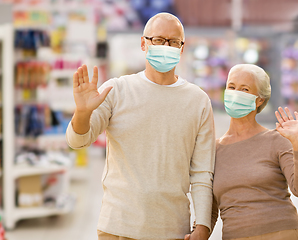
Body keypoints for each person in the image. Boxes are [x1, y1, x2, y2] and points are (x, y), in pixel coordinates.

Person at [66, 13, 215, 240]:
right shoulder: (116, 90)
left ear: (182, 48)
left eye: (174, 42)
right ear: (143, 43)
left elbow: (202, 172)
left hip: (172, 228)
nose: (166, 46)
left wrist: (203, 225)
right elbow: (77, 140)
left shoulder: (198, 100)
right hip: (118, 226)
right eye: (158, 39)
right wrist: (83, 112)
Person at [186, 64, 298, 240]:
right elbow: (211, 207)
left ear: (259, 99)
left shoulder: (276, 140)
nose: (235, 93)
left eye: (244, 89)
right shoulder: (213, 150)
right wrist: (199, 231)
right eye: (231, 87)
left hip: (281, 233)